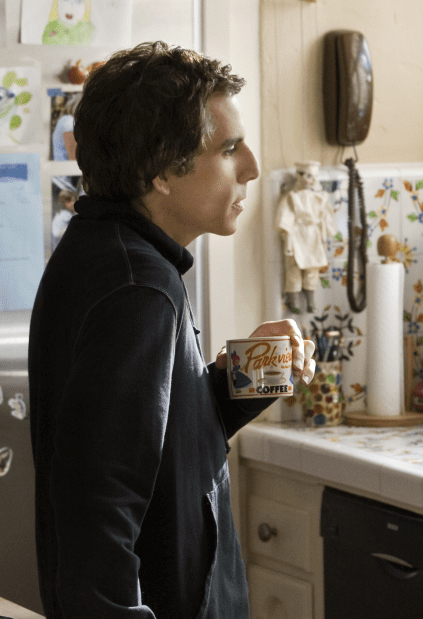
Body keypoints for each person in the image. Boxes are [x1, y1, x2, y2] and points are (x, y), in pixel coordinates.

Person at [29, 41, 317, 619]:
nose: (252, 166)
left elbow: (151, 447)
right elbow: (99, 507)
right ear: (160, 171)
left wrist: (243, 380)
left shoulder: (107, 253)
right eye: (228, 149)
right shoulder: (139, 287)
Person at [276, 160, 338, 313]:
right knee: (293, 268)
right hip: (297, 235)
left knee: (312, 268)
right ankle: (293, 299)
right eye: (305, 175)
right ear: (298, 175)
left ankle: (310, 299)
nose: (308, 180)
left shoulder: (320, 197)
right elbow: (286, 218)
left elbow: (325, 217)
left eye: (312, 177)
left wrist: (324, 235)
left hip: (313, 236)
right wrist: (287, 237)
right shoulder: (292, 197)